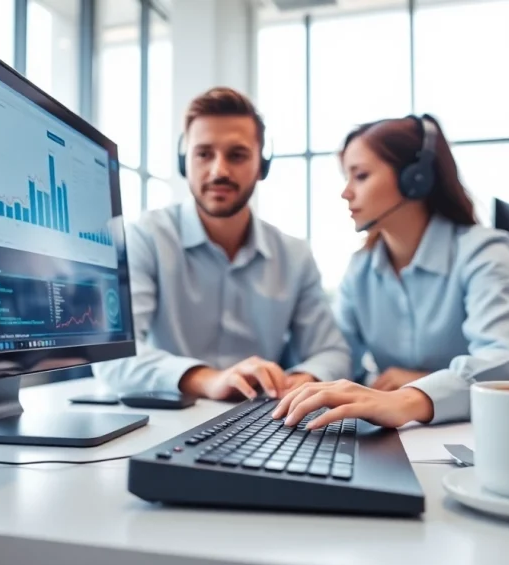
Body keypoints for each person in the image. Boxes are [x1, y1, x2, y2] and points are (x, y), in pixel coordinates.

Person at [273, 114, 509, 429]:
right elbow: (342, 352)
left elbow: (506, 363)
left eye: (360, 175)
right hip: (401, 437)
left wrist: (414, 395)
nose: (346, 192)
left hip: (479, 433)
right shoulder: (361, 269)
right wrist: (310, 377)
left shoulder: (481, 250)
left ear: (415, 179)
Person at [92, 87, 351, 400]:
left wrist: (299, 380)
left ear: (262, 165)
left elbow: (333, 354)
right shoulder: (145, 237)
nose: (219, 171)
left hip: (262, 414)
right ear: (184, 161)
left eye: (237, 155)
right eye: (203, 154)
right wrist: (208, 380)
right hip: (172, 418)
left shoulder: (295, 256)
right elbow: (114, 357)